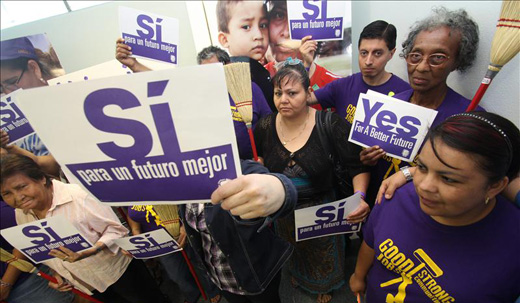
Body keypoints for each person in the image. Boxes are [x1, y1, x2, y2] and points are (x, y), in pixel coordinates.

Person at [350, 112, 520, 302]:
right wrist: (358, 276)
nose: (423, 186)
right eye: (422, 167)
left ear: (495, 186)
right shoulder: (396, 196)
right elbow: (371, 242)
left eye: (448, 178)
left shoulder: (513, 248)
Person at [254, 62, 370, 303]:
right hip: (284, 211)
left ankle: (324, 285)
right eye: (278, 93)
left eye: (292, 93)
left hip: (322, 211)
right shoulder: (265, 126)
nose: (283, 99)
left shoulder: (330, 124)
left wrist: (359, 197)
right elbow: (262, 157)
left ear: (308, 94)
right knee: (294, 249)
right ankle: (298, 275)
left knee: (323, 254)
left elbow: (357, 166)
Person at [0, 154, 169, 303]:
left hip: (120, 275)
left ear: (41, 179)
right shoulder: (21, 214)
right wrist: (58, 274)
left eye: (22, 187)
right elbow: (47, 251)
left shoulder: (78, 196)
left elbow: (116, 231)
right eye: (7, 193)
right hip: (87, 285)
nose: (18, 197)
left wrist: (89, 251)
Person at [360, 8, 485, 203]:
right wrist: (368, 159)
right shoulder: (390, 105)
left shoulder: (469, 117)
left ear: (457, 61)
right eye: (415, 56)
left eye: (437, 58)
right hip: (382, 209)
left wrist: (412, 172)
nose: (422, 67)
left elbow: (469, 179)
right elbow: (371, 166)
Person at [115, 42, 272, 160]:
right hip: (221, 166)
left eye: (215, 69)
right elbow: (164, 84)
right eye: (205, 71)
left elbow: (269, 125)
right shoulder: (198, 92)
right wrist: (134, 65)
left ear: (228, 66)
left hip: (256, 164)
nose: (210, 75)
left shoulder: (248, 88)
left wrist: (266, 157)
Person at [179, 159, 298, 303]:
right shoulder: (181, 183)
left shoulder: (237, 170)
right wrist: (183, 225)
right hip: (221, 279)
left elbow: (279, 187)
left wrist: (279, 190)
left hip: (256, 276)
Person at [309, 20, 410, 124]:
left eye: (378, 53)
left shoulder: (405, 93)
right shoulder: (342, 86)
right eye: (364, 53)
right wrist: (306, 66)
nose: (368, 61)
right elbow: (304, 99)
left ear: (391, 54)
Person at [264, 0, 342, 111]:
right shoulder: (258, 79)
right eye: (279, 15)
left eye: (295, 23)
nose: (286, 33)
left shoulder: (335, 85)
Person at [0, 37, 60, 177]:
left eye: (12, 81)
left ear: (34, 68)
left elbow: (56, 168)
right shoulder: (7, 117)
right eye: (1, 88)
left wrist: (13, 150)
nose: (8, 92)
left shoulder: (63, 105)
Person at [126, 205, 209, 303]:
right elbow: (131, 215)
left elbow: (189, 204)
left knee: (201, 263)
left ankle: (212, 290)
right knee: (176, 275)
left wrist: (185, 224)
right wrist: (136, 231)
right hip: (159, 242)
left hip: (182, 230)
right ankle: (193, 295)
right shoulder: (128, 194)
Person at [216, 0, 275, 111]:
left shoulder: (258, 70)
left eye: (263, 25)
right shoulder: (240, 77)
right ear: (224, 39)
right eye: (246, 27)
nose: (258, 35)